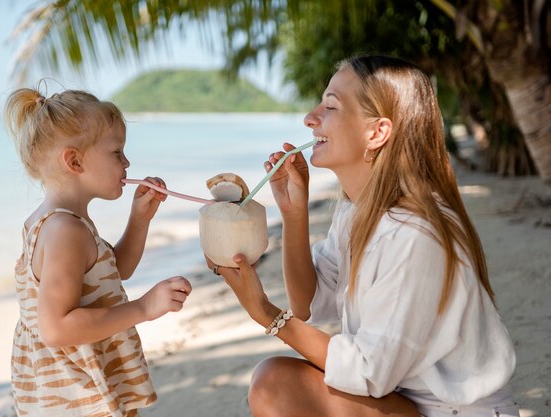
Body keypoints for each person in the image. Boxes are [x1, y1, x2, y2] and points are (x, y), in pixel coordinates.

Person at [207, 55, 520, 417]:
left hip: (453, 411)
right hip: (406, 402)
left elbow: (370, 373)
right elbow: (309, 304)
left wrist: (263, 311)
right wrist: (294, 214)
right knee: (275, 383)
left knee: (273, 385)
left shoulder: (414, 233)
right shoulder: (357, 213)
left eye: (330, 106)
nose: (310, 118)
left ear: (377, 132)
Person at [5, 87, 192, 417]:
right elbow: (56, 327)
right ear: (74, 161)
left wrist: (139, 219)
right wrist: (145, 308)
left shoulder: (57, 222)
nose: (127, 162)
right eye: (116, 152)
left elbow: (109, 275)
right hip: (75, 394)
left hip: (62, 388)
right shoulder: (66, 231)